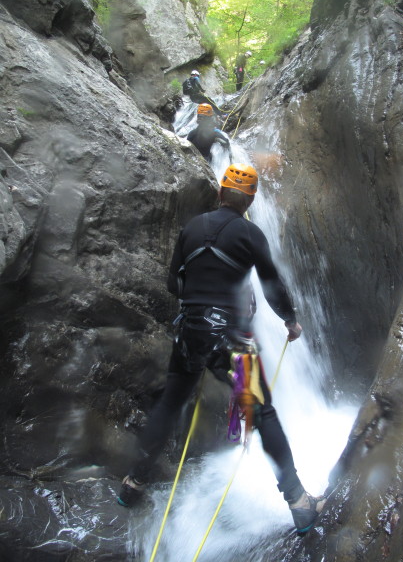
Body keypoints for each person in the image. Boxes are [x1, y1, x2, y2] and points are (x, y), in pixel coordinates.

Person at [117, 163, 327, 534]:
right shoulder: (250, 234)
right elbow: (272, 285)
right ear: (250, 201)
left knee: (169, 403)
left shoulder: (191, 229)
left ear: (219, 194)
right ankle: (299, 502)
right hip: (231, 343)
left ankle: (132, 484)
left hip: (189, 336)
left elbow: (172, 284)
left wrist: (201, 292)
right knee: (263, 414)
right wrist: (290, 321)